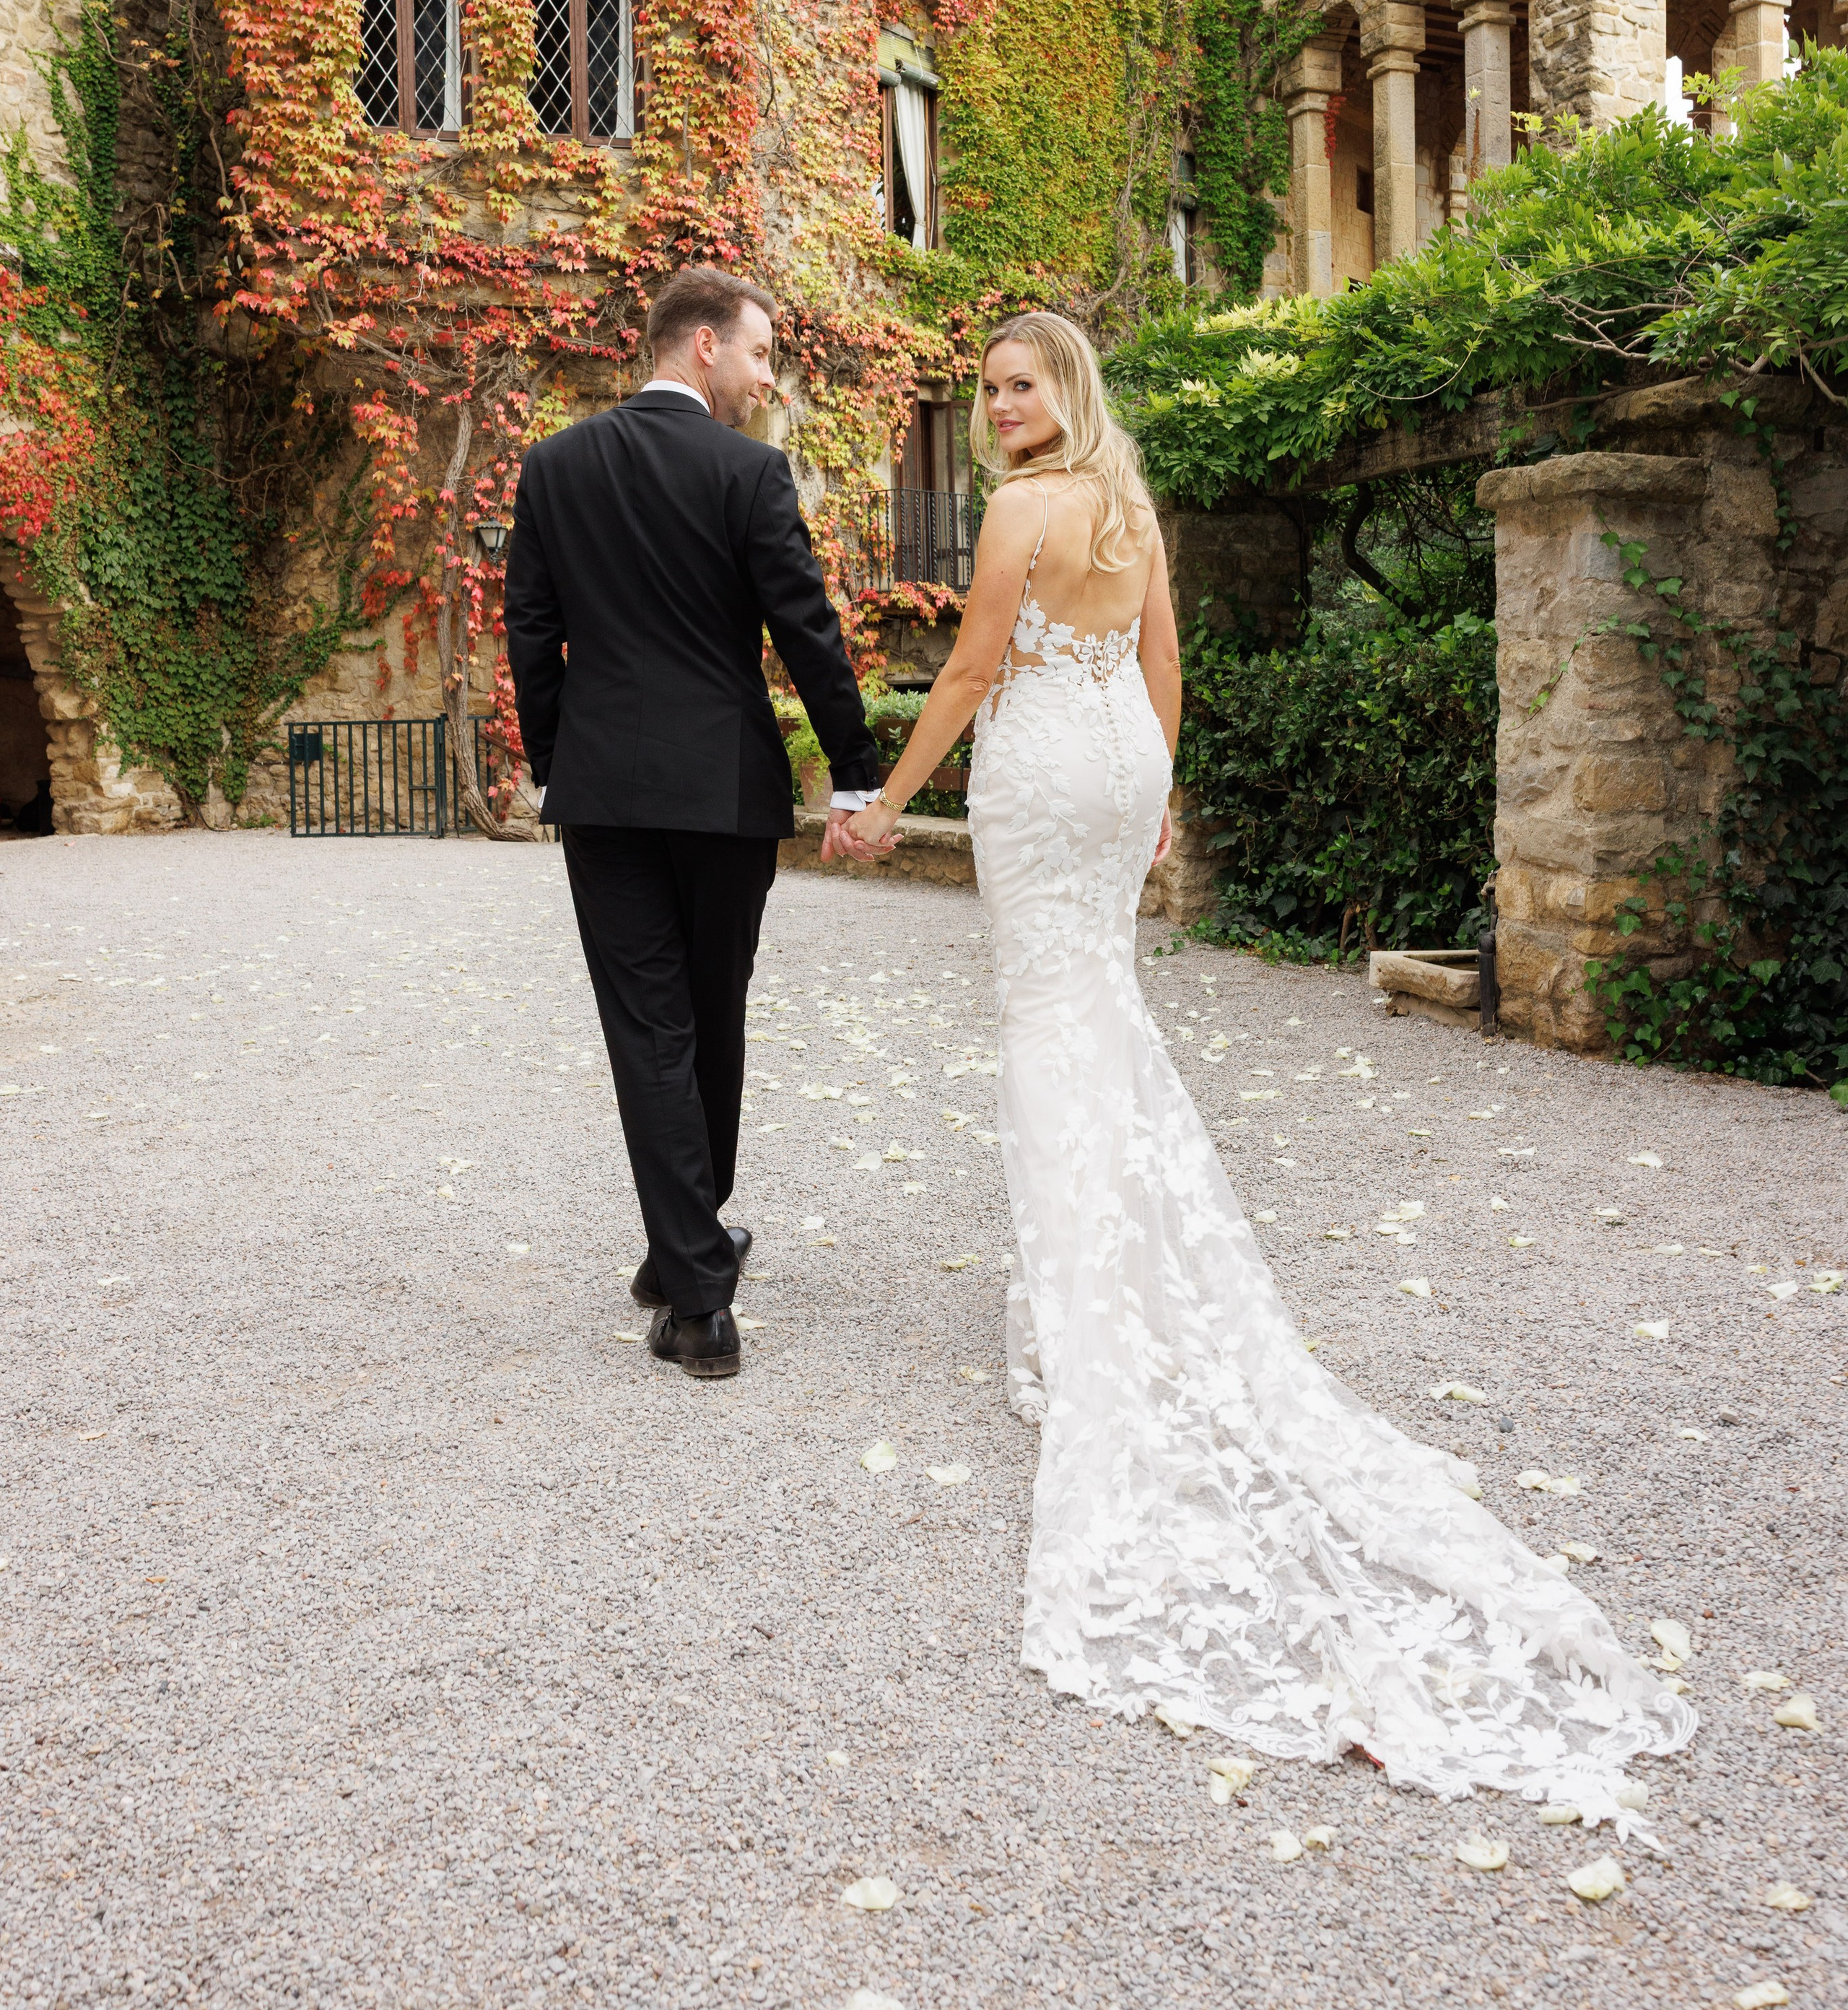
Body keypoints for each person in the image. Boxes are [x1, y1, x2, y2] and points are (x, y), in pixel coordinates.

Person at [842, 310, 1694, 1812]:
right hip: (1117, 763)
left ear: (1065, 394)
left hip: (1044, 768)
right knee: (1093, 1004)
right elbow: (1163, 665)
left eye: (1015, 384)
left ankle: (1077, 1318)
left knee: (1046, 1024)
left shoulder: (1029, 507)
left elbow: (975, 667)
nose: (995, 406)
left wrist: (879, 798)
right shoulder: (1130, 505)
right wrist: (1156, 797)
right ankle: (1090, 1284)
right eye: (985, 389)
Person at [504, 266, 881, 1381]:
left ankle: (688, 1256)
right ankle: (701, 1293)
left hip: (607, 795)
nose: (770, 380)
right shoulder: (750, 472)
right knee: (712, 1017)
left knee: (650, 1031)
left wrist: (558, 764)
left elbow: (532, 635)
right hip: (724, 796)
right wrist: (853, 771)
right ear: (702, 344)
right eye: (763, 355)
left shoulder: (554, 466)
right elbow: (806, 631)